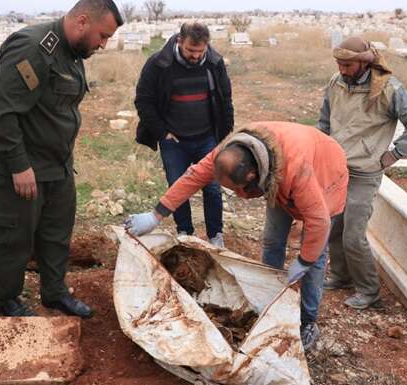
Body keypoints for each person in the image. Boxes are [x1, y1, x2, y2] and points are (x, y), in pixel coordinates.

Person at [125, 122, 349, 350]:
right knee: (273, 240)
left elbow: (318, 221)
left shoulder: (296, 169)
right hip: (284, 181)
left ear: (253, 175)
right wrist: (156, 215)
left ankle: (308, 320)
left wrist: (304, 261)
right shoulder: (229, 152)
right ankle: (269, 296)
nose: (239, 195)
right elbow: (194, 177)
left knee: (316, 255)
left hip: (326, 175)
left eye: (240, 189)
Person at [0, 0, 123, 317]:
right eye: (102, 35)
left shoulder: (71, 53)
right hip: (16, 167)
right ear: (82, 21)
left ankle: (54, 293)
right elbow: (1, 116)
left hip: (55, 165)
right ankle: (6, 299)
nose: (103, 44)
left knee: (56, 233)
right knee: (15, 236)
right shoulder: (31, 48)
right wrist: (19, 166)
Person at [317, 36, 407, 310]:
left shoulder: (387, 89)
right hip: (337, 168)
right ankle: (342, 276)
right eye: (339, 64)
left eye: (347, 65)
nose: (342, 69)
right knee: (334, 228)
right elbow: (325, 120)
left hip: (364, 172)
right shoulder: (336, 82)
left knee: (353, 235)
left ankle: (369, 292)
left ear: (364, 62)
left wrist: (394, 154)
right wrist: (320, 149)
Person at [134, 22, 234, 248]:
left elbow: (225, 99)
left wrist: (223, 135)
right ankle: (185, 234)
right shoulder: (158, 64)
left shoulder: (214, 63)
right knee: (178, 188)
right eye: (191, 50)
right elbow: (144, 101)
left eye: (201, 51)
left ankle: (215, 236)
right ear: (180, 41)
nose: (196, 56)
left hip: (207, 138)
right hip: (174, 142)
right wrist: (162, 133)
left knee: (212, 188)